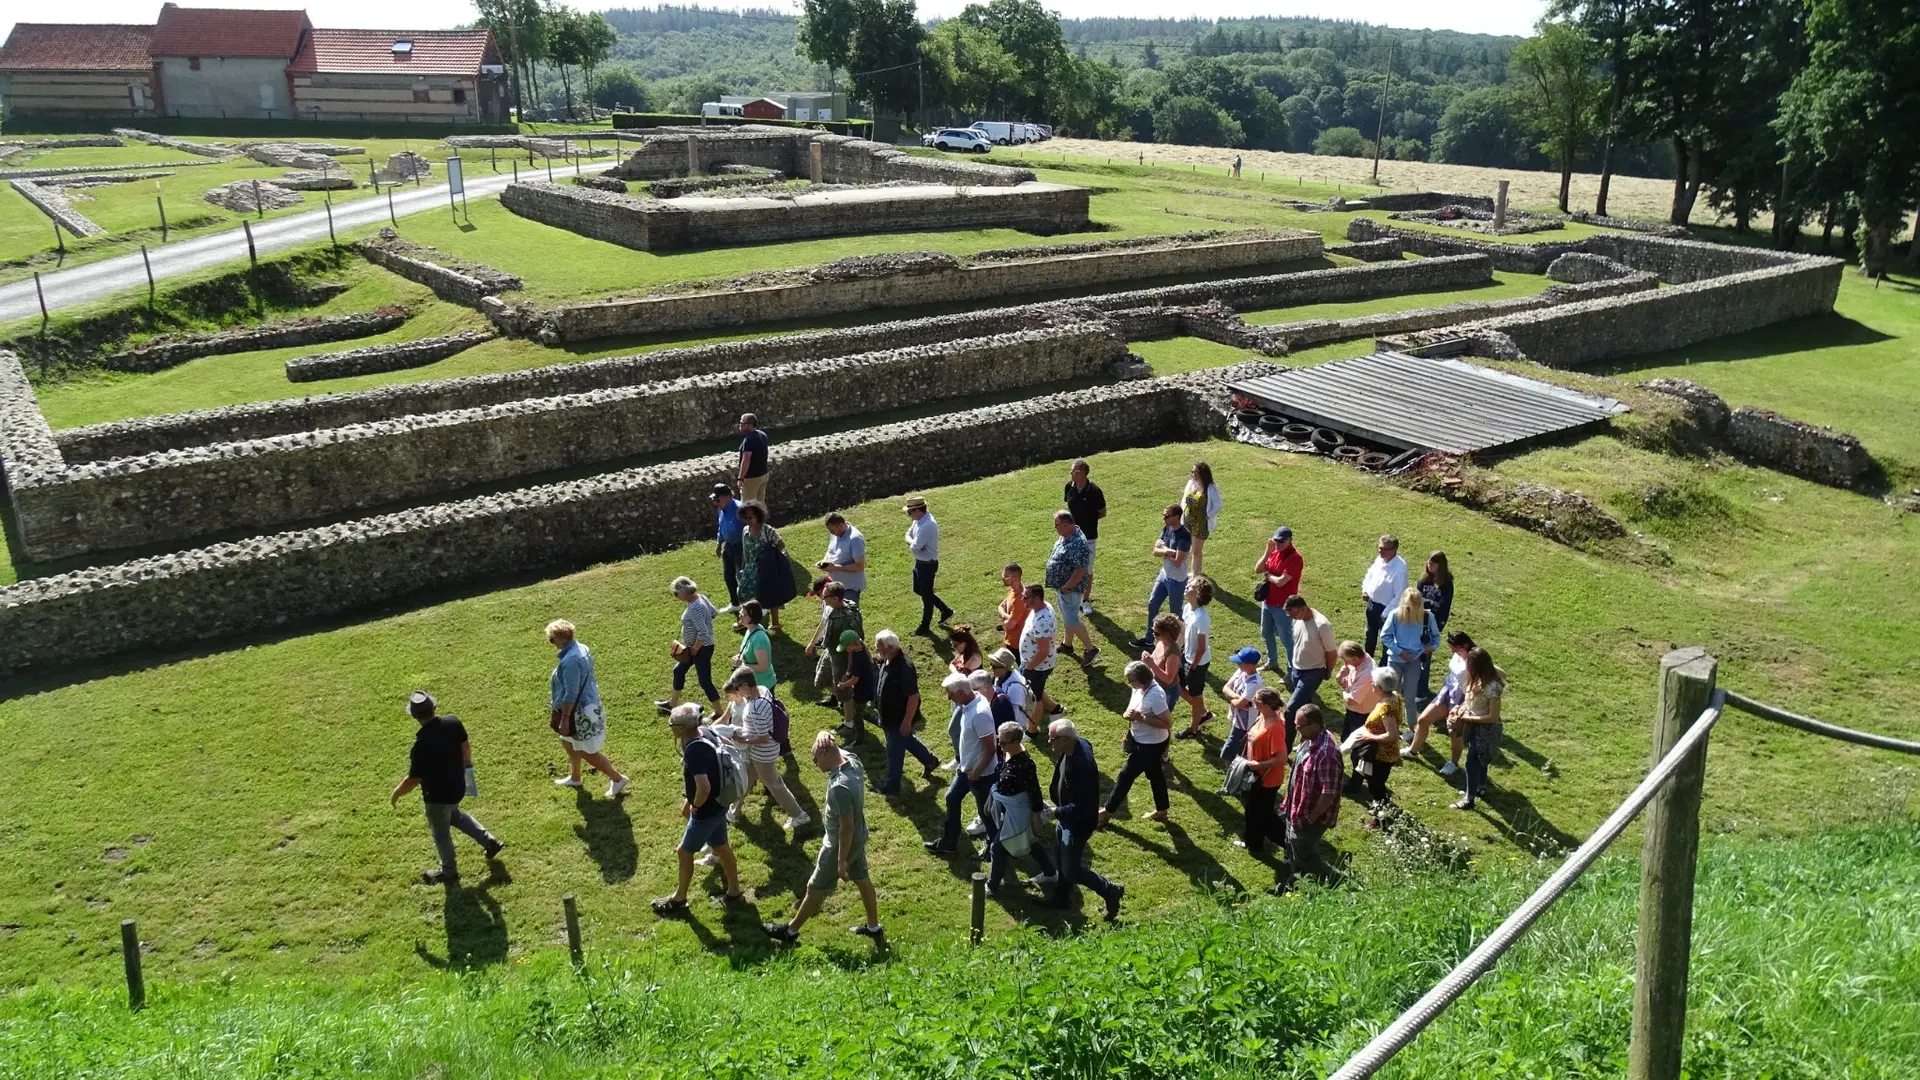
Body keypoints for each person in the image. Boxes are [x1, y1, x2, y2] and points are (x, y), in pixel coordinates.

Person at [764, 732, 884, 944]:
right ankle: (874, 927)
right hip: (859, 836)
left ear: (826, 752)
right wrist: (822, 734)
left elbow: (846, 827)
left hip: (839, 844)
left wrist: (840, 860)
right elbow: (838, 748)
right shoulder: (853, 761)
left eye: (815, 758)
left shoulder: (840, 787)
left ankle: (789, 932)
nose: (816, 764)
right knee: (862, 878)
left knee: (814, 887)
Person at [390, 691, 502, 886]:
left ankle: (448, 871)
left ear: (415, 716)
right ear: (434, 707)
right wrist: (468, 768)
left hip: (437, 798)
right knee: (455, 815)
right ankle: (489, 841)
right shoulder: (453, 723)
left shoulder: (421, 745)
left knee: (441, 834)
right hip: (457, 787)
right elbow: (465, 747)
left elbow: (414, 779)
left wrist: (397, 793)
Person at [652, 705, 744, 917]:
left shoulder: (694, 749)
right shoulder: (707, 732)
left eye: (672, 725)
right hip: (720, 803)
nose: (670, 728)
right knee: (721, 847)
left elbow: (703, 786)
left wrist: (695, 805)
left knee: (684, 852)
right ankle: (734, 892)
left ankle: (679, 899)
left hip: (707, 809)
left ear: (681, 729)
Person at [1039, 719, 1124, 919]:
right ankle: (1061, 897)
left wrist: (1055, 812)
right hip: (1067, 818)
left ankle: (1109, 890)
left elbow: (1082, 806)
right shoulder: (1078, 745)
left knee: (1071, 870)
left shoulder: (1081, 765)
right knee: (1060, 854)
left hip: (1076, 823)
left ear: (1067, 739)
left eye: (1053, 739)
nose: (1049, 743)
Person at [546, 620, 630, 799]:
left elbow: (571, 693)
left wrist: (565, 718)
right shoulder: (580, 647)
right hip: (583, 705)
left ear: (561, 638)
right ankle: (575, 777)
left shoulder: (571, 661)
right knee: (568, 742)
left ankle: (617, 779)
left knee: (586, 751)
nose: (551, 643)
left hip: (579, 711)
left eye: (552, 639)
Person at [722, 666, 811, 831]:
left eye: (738, 688)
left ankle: (799, 815)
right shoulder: (763, 690)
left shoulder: (754, 709)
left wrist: (742, 739)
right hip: (761, 751)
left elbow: (763, 738)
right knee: (746, 780)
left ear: (746, 686)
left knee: (775, 784)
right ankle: (732, 813)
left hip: (762, 754)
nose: (738, 692)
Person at [927, 671, 998, 855]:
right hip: (966, 768)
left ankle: (993, 849)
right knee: (952, 798)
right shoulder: (971, 702)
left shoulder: (979, 714)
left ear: (961, 693)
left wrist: (977, 772)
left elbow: (991, 749)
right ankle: (949, 842)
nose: (948, 697)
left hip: (981, 774)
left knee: (986, 813)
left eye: (950, 694)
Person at [986, 721, 1060, 892]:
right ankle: (1050, 872)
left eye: (1003, 742)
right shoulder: (1007, 752)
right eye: (999, 740)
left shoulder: (1025, 764)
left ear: (1015, 742)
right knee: (1030, 840)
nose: (999, 744)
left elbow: (1035, 792)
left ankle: (992, 886)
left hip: (1018, 811)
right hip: (1008, 807)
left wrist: (1035, 819)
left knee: (998, 846)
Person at [1099, 661, 1172, 825]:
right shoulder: (1138, 689)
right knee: (1155, 774)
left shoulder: (1156, 696)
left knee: (1125, 775)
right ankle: (1162, 810)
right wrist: (1128, 714)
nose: (1129, 684)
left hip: (1151, 744)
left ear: (1142, 679)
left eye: (1131, 680)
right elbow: (1131, 709)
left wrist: (1142, 718)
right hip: (1142, 740)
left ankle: (1106, 812)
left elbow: (1167, 724)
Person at [1280, 704, 1342, 889]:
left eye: (1300, 726)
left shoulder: (1327, 753)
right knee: (1292, 847)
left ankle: (1337, 882)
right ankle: (1295, 882)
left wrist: (1310, 817)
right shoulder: (1310, 739)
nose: (1296, 729)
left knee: (1303, 850)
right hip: (1296, 808)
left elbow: (1328, 793)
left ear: (1314, 725)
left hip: (1311, 815)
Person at [873, 629, 941, 794]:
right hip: (888, 716)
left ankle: (891, 786)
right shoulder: (887, 660)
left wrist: (906, 721)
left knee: (894, 752)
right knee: (906, 740)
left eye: (879, 647)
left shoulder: (904, 667)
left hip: (898, 718)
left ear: (890, 647)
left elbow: (913, 697)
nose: (877, 650)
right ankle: (930, 761)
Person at [1234, 686, 1290, 854]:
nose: (1253, 703)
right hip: (1255, 774)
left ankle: (1288, 845)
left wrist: (1258, 765)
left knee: (1265, 815)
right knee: (1252, 810)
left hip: (1267, 779)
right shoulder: (1263, 716)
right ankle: (1253, 843)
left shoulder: (1276, 727)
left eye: (1257, 701)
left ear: (1266, 705)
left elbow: (1281, 758)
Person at [1451, 647, 1506, 811]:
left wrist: (1466, 718)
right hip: (1474, 725)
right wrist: (1459, 709)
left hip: (1487, 730)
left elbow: (1493, 717)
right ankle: (1481, 785)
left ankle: (1469, 799)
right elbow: (1469, 702)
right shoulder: (1474, 679)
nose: (1467, 668)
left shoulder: (1493, 688)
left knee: (1471, 761)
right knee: (1480, 758)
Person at [1410, 631, 1475, 770]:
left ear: (1464, 645)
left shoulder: (1474, 660)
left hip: (1462, 697)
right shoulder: (1457, 654)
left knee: (1454, 732)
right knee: (1423, 720)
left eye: (1455, 648)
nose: (1452, 650)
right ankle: (1412, 751)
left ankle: (1453, 763)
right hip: (1447, 691)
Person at [657, 577, 721, 719]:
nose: (676, 596)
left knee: (705, 681)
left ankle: (719, 712)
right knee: (679, 670)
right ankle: (672, 704)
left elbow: (703, 633)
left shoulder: (694, 608)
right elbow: (713, 613)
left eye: (676, 593)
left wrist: (696, 648)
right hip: (697, 647)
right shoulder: (700, 598)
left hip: (701, 649)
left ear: (683, 592)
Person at [1045, 510, 1098, 667]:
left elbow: (1081, 569)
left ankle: (1090, 649)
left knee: (1071, 618)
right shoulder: (1067, 535)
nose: (1056, 529)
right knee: (1068, 615)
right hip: (1063, 587)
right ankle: (1067, 645)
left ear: (1066, 524)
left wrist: (1068, 586)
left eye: (1057, 526)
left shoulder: (1077, 543)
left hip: (1070, 588)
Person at [1134, 504, 1190, 651]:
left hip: (1177, 580)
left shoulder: (1184, 535)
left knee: (1175, 614)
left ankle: (1179, 645)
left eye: (1167, 516)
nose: (1163, 518)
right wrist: (1168, 552)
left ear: (1177, 517)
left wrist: (1165, 551)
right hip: (1164, 575)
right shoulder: (1167, 528)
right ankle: (1149, 639)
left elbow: (1178, 561)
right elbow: (1155, 551)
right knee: (1153, 604)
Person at [1282, 595, 1338, 740]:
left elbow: (1331, 653)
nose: (1291, 617)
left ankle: (1284, 748)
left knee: (1291, 710)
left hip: (1313, 672)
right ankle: (1311, 740)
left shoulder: (1322, 625)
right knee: (1307, 712)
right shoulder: (1298, 619)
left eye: (1293, 614)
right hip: (1297, 670)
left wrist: (1328, 671)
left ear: (1303, 609)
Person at [1347, 667, 1403, 803]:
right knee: (1374, 784)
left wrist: (1369, 737)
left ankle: (1381, 818)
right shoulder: (1394, 695)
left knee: (1376, 787)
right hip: (1379, 752)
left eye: (1372, 682)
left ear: (1380, 687)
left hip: (1381, 755)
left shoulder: (1387, 708)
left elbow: (1392, 735)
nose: (1370, 683)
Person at [1254, 527, 1302, 684]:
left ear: (1290, 540)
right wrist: (1268, 551)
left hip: (1283, 605)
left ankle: (1291, 671)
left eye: (1281, 541)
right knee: (1266, 632)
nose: (1278, 544)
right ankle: (1272, 661)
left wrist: (1268, 576)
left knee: (1287, 639)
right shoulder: (1274, 552)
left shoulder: (1295, 558)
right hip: (1268, 602)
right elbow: (1258, 569)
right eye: (1276, 540)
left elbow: (1282, 581)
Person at [807, 581, 863, 715]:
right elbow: (823, 623)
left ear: (836, 599)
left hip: (842, 655)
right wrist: (812, 643)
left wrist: (850, 666)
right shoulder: (828, 606)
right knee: (821, 679)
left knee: (844, 692)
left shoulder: (848, 617)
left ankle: (849, 722)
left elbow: (855, 641)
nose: (822, 598)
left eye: (825, 596)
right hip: (830, 650)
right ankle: (836, 699)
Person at [1380, 587, 1438, 713]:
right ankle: (1390, 726)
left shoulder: (1428, 617)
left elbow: (1436, 637)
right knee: (1391, 696)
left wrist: (1431, 647)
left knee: (1409, 698)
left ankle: (1411, 729)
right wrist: (1399, 651)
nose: (1412, 609)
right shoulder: (1395, 615)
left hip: (1414, 660)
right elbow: (1385, 636)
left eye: (1416, 605)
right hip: (1395, 660)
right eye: (1409, 606)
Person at [738, 501, 791, 632]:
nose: (748, 520)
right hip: (751, 568)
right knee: (744, 592)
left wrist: (769, 556)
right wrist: (744, 566)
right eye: (745, 518)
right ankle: (749, 620)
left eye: (750, 517)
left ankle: (775, 624)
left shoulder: (766, 530)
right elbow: (746, 551)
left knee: (770, 594)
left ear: (758, 516)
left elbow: (781, 544)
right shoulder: (745, 530)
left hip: (766, 568)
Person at [904, 496, 953, 635]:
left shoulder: (927, 525)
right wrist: (912, 541)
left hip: (927, 565)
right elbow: (908, 535)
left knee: (926, 596)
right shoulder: (919, 520)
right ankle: (946, 610)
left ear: (918, 510)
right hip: (920, 563)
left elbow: (914, 548)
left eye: (910, 512)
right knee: (919, 590)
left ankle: (924, 626)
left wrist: (911, 542)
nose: (909, 515)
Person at [1063, 459, 1108, 611]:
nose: (1070, 473)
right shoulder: (1069, 487)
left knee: (1086, 569)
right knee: (1071, 566)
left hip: (1088, 536)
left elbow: (1102, 513)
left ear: (1081, 473)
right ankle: (1072, 596)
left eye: (1073, 471)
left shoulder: (1094, 491)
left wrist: (1087, 521)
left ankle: (1086, 601)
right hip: (1070, 535)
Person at [1174, 576, 1214, 738]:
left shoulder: (1202, 618)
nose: (1186, 586)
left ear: (1197, 593)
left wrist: (1193, 667)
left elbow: (1202, 648)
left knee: (1196, 696)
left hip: (1198, 662)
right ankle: (1203, 713)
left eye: (1190, 586)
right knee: (1177, 686)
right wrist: (1177, 650)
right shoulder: (1187, 608)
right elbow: (1184, 632)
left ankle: (1193, 729)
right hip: (1187, 656)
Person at [1019, 583, 1061, 726]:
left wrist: (1029, 667)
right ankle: (1056, 709)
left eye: (1025, 597)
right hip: (1032, 664)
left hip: (1038, 667)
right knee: (1037, 689)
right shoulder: (1040, 607)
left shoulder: (1043, 621)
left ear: (1036, 599)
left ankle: (1032, 731)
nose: (1022, 599)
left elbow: (1043, 651)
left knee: (1034, 699)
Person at [1359, 534, 1408, 660]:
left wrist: (1385, 614)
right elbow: (1369, 575)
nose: (1381, 551)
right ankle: (1367, 661)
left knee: (1386, 639)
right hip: (1372, 604)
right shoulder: (1379, 559)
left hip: (1387, 610)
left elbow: (1400, 595)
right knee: (1370, 634)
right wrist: (1365, 590)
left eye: (1385, 549)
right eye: (1380, 548)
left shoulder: (1400, 568)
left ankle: (1384, 666)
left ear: (1394, 550)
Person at [1417, 551, 1455, 701]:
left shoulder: (1446, 585)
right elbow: (1415, 596)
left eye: (1433, 563)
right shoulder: (1424, 580)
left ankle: (1421, 691)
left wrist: (1425, 603)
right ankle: (1411, 684)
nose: (1429, 565)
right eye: (1428, 562)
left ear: (1441, 566)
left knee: (1424, 658)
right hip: (1417, 621)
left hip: (1432, 625)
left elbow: (1442, 607)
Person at [1219, 646, 1265, 765]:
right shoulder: (1241, 671)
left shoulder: (1255, 683)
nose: (1238, 664)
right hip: (1236, 715)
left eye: (1241, 662)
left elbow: (1239, 704)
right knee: (1238, 742)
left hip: (1245, 720)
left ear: (1251, 664)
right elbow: (1225, 688)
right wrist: (1236, 698)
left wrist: (1232, 699)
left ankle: (1231, 765)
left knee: (1232, 744)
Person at [834, 630, 876, 745]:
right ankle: (880, 722)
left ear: (853, 645)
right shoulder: (858, 650)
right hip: (866, 687)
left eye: (846, 647)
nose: (845, 650)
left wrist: (842, 685)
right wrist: (847, 673)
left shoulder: (859, 659)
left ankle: (859, 741)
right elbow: (851, 665)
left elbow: (855, 680)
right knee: (861, 711)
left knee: (857, 716)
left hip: (862, 690)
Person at [817, 513, 868, 606]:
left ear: (840, 525)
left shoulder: (855, 539)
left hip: (849, 587)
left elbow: (860, 566)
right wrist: (824, 561)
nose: (830, 533)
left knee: (848, 615)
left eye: (832, 530)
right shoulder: (836, 534)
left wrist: (835, 567)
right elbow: (830, 551)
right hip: (835, 585)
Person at [1182, 461, 1222, 578]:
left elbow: (1218, 505)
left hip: (1201, 524)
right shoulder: (1191, 484)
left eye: (1196, 472)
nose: (1193, 474)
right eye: (1192, 472)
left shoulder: (1210, 487)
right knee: (1189, 548)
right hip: (1188, 521)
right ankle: (1195, 570)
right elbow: (1184, 499)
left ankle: (1196, 573)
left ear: (1203, 473)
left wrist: (1208, 515)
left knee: (1196, 550)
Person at [1335, 640, 1381, 739]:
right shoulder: (1361, 660)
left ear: (1355, 658)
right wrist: (1340, 677)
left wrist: (1345, 692)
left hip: (1361, 716)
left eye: (1346, 660)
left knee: (1357, 744)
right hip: (1353, 711)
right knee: (1346, 739)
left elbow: (1351, 700)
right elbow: (1346, 684)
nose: (1345, 663)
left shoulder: (1367, 674)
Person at [712, 483, 745, 609]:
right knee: (728, 575)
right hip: (729, 546)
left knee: (742, 576)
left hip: (740, 546)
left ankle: (750, 604)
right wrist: (719, 543)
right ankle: (735, 603)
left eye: (717, 499)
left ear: (727, 497)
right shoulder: (721, 508)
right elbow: (721, 527)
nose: (716, 503)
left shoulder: (739, 508)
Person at [987, 647, 1033, 734]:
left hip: (1013, 726)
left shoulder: (1014, 688)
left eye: (994, 666)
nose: (991, 668)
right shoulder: (1000, 676)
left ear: (1004, 668)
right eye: (991, 664)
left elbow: (1013, 714)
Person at [1140, 613, 1183, 705]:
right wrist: (1147, 661)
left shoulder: (1173, 654)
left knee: (1160, 718)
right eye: (1153, 630)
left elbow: (1168, 679)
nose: (1153, 634)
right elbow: (1155, 661)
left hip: (1166, 692)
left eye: (1156, 633)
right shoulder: (1161, 642)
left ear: (1167, 634)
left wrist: (1151, 664)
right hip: (1156, 686)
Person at [735, 600, 776, 693]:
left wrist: (742, 665)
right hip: (754, 685)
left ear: (751, 617)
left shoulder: (759, 639)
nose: (739, 616)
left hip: (762, 686)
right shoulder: (750, 629)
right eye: (740, 613)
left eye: (743, 614)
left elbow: (763, 666)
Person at [737, 412, 770, 507]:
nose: (740, 425)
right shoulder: (762, 434)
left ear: (750, 425)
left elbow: (746, 459)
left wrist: (740, 478)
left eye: (742, 423)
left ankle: (749, 522)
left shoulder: (749, 440)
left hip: (752, 477)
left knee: (747, 504)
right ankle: (762, 521)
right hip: (764, 474)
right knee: (760, 503)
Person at [997, 564, 1028, 654]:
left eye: (1006, 576)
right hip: (1011, 639)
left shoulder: (1020, 599)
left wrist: (1006, 618)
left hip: (1017, 644)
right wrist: (1007, 616)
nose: (1003, 578)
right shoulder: (1014, 589)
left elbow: (1009, 625)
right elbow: (1000, 606)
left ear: (1015, 578)